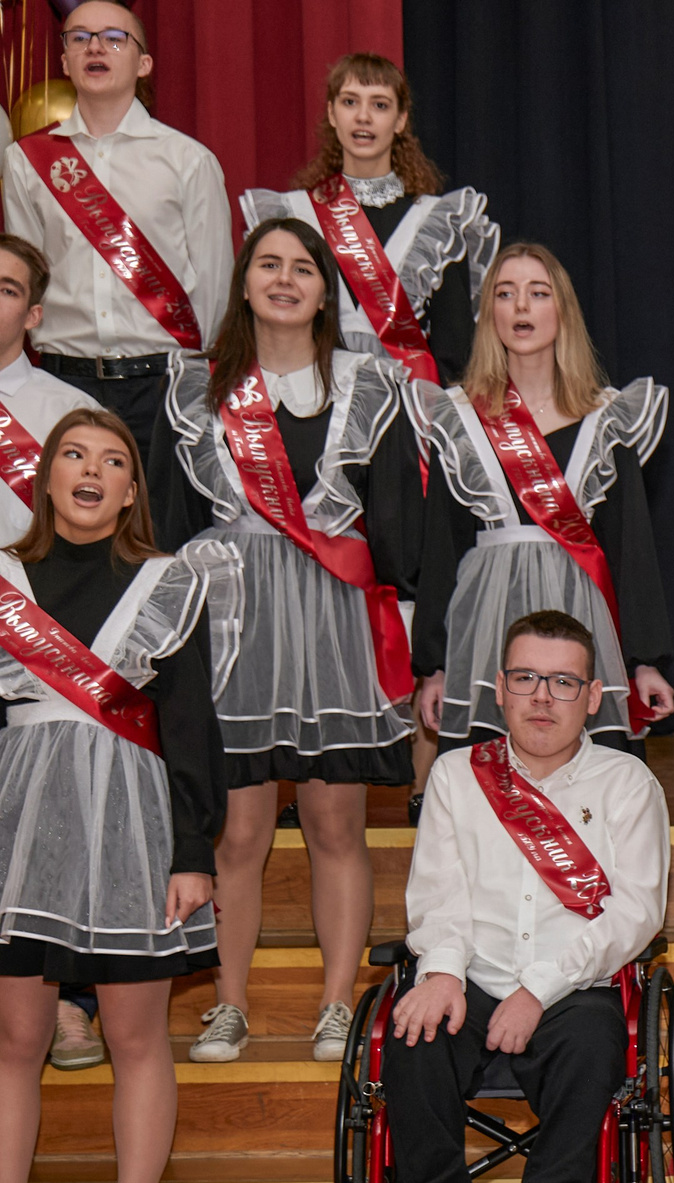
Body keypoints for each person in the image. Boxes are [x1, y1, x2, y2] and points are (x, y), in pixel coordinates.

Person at [158, 218, 451, 1068]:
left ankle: (333, 1004)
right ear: (244, 282)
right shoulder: (197, 388)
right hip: (233, 616)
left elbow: (398, 514)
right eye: (268, 265)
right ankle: (230, 1003)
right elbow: (172, 528)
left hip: (333, 614)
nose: (285, 279)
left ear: (328, 290)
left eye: (303, 268)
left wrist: (407, 621)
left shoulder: (368, 384)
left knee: (334, 820)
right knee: (239, 830)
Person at [357, 609, 670, 1183]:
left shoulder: (627, 784)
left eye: (563, 682)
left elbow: (637, 910)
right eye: (526, 677)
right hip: (471, 974)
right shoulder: (455, 776)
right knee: (413, 1028)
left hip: (572, 985)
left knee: (595, 1037)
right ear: (500, 687)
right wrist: (439, 972)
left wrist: (540, 987)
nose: (542, 697)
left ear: (592, 697)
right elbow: (440, 893)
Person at [0, 409, 235, 1183]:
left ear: (133, 489)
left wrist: (190, 848)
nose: (90, 470)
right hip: (17, 827)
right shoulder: (5, 579)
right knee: (15, 1035)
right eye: (72, 454)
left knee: (135, 1033)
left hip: (133, 821)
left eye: (112, 460)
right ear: (47, 476)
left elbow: (189, 725)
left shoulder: (168, 582)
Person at [409, 242, 674, 750]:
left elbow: (630, 547)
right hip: (486, 627)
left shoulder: (607, 418)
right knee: (488, 791)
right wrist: (436, 665)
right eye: (506, 294)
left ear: (563, 310)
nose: (522, 307)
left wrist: (644, 661)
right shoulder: (457, 417)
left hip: (583, 620)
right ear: (490, 313)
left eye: (538, 292)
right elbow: (441, 546)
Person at [2, 2, 227, 546]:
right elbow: (23, 283)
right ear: (63, 58)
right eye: (79, 38)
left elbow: (217, 291)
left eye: (112, 38)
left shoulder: (187, 160)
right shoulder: (26, 163)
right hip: (62, 385)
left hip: (166, 391)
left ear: (144, 63)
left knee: (165, 547)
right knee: (67, 552)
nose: (95, 48)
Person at [0, 233, 124, 1077]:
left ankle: (71, 1003)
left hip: (34, 641)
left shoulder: (57, 407)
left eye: (6, 287)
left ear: (34, 313)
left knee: (56, 833)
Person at [240, 51, 500, 387]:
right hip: (314, 407)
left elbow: (456, 356)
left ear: (401, 119)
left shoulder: (435, 223)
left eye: (379, 105)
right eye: (350, 102)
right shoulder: (294, 213)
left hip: (408, 416)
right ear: (332, 113)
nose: (363, 117)